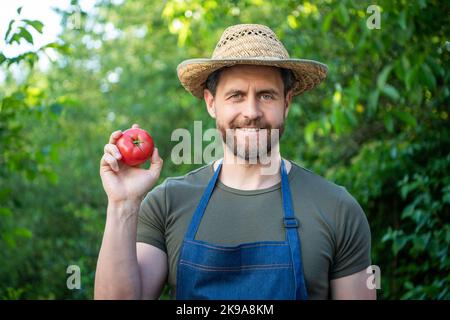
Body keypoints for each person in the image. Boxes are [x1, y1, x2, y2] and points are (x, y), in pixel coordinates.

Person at [95, 24, 375, 300]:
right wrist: (122, 204)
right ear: (211, 102)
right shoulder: (168, 203)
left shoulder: (337, 209)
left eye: (266, 95)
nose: (251, 112)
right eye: (236, 96)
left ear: (286, 103)